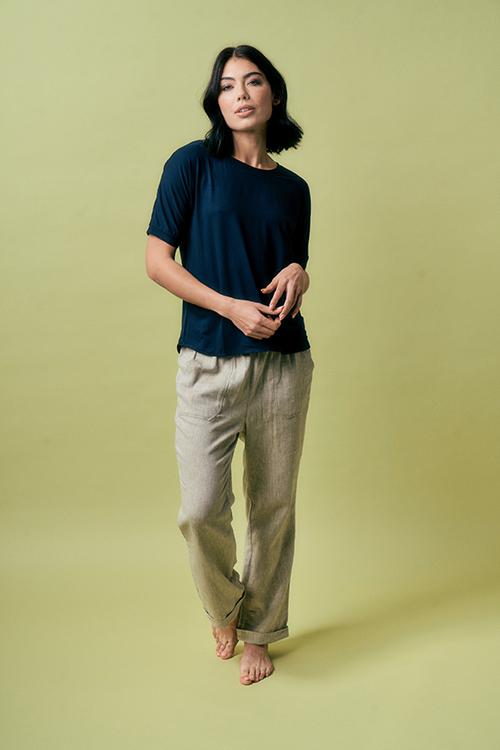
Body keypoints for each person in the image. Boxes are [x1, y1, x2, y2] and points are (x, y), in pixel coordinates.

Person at [145, 44, 313, 685]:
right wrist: (228, 307)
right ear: (216, 101)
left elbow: (289, 267)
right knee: (200, 510)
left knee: (274, 507)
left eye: (253, 81)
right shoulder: (192, 164)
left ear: (274, 95)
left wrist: (301, 272)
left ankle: (261, 633)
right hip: (208, 361)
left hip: (283, 365)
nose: (240, 93)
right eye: (227, 85)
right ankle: (225, 608)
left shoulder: (294, 189)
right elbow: (158, 262)